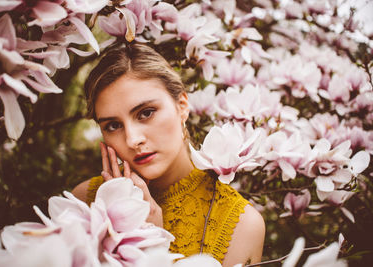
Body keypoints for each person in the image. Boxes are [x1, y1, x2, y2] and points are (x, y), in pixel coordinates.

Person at [72, 43, 265, 266]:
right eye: (113, 126)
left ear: (182, 106)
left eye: (146, 113)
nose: (133, 140)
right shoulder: (86, 200)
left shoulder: (240, 225)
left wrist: (152, 246)